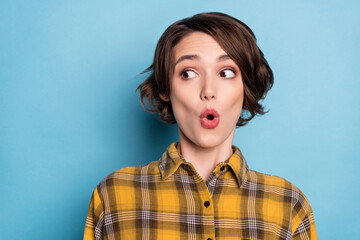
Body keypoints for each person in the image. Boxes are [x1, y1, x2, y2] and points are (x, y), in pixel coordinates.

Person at [83, 12, 317, 240]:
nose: (208, 91)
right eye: (188, 73)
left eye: (226, 73)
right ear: (166, 89)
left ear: (246, 88)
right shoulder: (113, 195)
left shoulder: (288, 204)